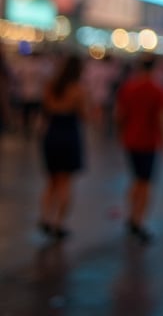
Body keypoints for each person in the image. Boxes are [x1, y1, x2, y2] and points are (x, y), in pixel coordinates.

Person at [115, 54, 163, 243]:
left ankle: (131, 215)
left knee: (136, 179)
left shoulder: (128, 87)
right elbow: (162, 119)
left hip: (130, 140)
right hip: (148, 142)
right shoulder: (158, 90)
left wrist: (121, 134)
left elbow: (119, 114)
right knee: (146, 183)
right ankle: (138, 221)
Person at [38, 52, 89, 240]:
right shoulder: (78, 89)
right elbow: (85, 115)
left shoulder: (51, 86)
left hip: (51, 133)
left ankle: (45, 217)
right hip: (69, 134)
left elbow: (45, 110)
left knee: (51, 181)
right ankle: (59, 223)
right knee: (65, 182)